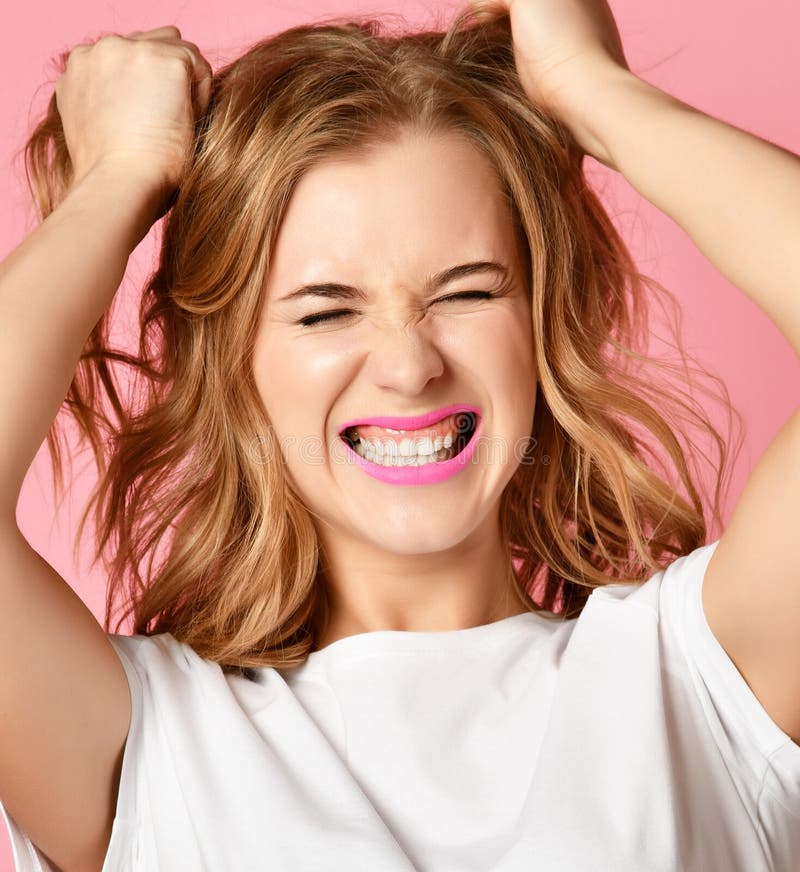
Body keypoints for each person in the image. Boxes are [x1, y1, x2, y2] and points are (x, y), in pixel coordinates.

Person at [0, 0, 798, 869]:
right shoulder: (141, 739)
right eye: (325, 311)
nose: (409, 365)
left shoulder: (702, 681)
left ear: (540, 324)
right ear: (237, 367)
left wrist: (593, 93)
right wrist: (119, 177)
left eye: (467, 292)